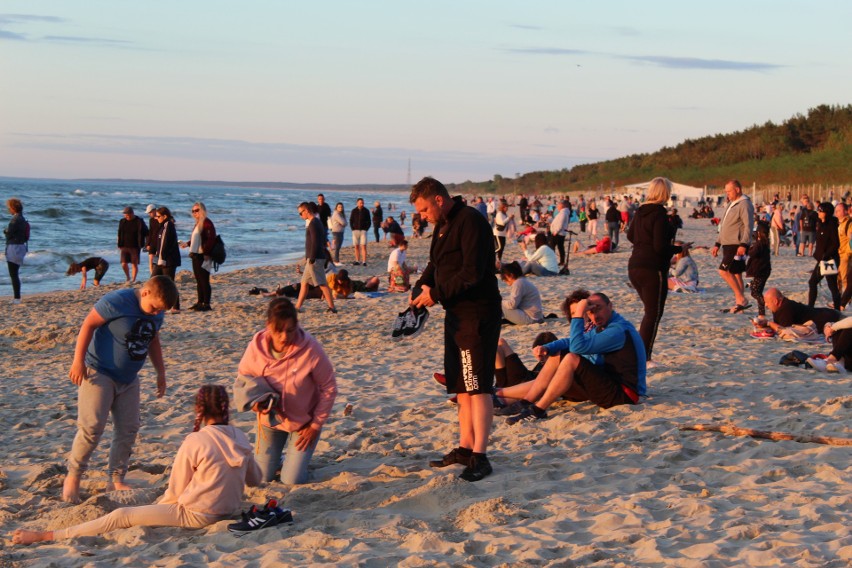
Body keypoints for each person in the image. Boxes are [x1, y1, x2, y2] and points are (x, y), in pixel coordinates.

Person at [13, 385, 262, 545]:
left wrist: (156, 512)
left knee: (123, 515)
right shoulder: (240, 436)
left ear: (198, 409)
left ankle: (47, 536)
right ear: (225, 408)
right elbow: (255, 480)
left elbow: (174, 492)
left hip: (198, 516)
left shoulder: (195, 440)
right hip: (228, 509)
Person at [410, 177, 501, 482]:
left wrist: (435, 295)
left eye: (424, 210)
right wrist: (419, 290)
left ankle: (480, 455)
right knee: (461, 386)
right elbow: (436, 265)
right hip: (456, 315)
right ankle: (465, 447)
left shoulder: (471, 221)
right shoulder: (443, 224)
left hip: (478, 313)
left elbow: (472, 273)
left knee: (477, 386)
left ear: (438, 199)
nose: (423, 216)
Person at [61, 275, 179, 504]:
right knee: (92, 427)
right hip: (99, 372)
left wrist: (160, 372)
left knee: (128, 428)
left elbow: (153, 339)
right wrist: (78, 361)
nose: (156, 313)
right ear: (145, 293)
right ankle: (73, 477)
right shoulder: (117, 301)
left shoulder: (158, 311)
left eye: (160, 311)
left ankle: (116, 478)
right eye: (154, 308)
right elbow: (88, 325)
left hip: (129, 378)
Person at [496, 290, 646, 423]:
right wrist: (549, 347)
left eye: (598, 309)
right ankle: (526, 402)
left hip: (625, 395)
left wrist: (579, 315)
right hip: (610, 385)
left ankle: (537, 409)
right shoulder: (605, 326)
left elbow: (576, 347)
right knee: (560, 354)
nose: (595, 315)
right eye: (590, 312)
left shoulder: (617, 330)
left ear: (610, 305)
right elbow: (571, 341)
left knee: (571, 358)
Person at [235, 298, 337, 484]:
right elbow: (244, 378)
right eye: (278, 331)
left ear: (297, 325)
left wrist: (315, 425)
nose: (284, 337)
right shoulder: (255, 348)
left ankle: (293, 462)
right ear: (268, 326)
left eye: (290, 330)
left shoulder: (310, 349)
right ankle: (281, 460)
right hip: (270, 422)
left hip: (304, 423)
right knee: (262, 477)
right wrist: (255, 404)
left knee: (291, 480)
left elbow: (329, 386)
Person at [627, 177, 681, 361]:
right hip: (652, 267)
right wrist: (678, 249)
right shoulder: (658, 213)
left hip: (635, 265)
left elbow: (630, 235)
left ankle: (642, 355)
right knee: (653, 314)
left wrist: (643, 244)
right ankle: (644, 357)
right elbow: (660, 246)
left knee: (649, 313)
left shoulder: (640, 211)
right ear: (664, 193)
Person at [711, 180, 755, 313]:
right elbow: (723, 225)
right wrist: (717, 244)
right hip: (727, 243)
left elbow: (748, 226)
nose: (727, 194)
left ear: (737, 190)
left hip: (736, 244)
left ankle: (741, 298)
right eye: (726, 191)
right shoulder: (731, 204)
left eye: (729, 191)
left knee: (723, 271)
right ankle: (739, 305)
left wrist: (743, 244)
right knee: (736, 274)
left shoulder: (745, 204)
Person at [294, 202, 337, 313]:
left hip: (315, 259)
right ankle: (297, 307)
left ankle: (332, 307)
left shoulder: (314, 223)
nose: (300, 216)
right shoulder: (314, 222)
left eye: (300, 213)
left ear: (306, 210)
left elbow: (316, 242)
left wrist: (312, 258)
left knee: (322, 283)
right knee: (304, 283)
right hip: (313, 258)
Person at [180, 202, 216, 312]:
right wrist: (187, 244)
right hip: (195, 254)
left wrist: (206, 253)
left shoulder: (207, 223)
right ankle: (200, 302)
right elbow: (196, 239)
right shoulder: (198, 223)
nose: (195, 213)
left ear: (202, 210)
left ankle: (206, 303)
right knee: (199, 280)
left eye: (197, 210)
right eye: (193, 211)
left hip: (204, 256)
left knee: (204, 280)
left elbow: (211, 239)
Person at [758, 287, 841, 334]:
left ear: (776, 301)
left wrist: (769, 323)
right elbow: (778, 325)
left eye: (767, 302)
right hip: (827, 313)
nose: (766, 305)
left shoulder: (786, 308)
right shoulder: (779, 307)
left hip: (831, 317)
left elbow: (784, 331)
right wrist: (765, 324)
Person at [808, 202, 841, 310]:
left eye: (820, 211)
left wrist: (825, 255)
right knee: (819, 283)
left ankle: (811, 308)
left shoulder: (831, 225)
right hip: (822, 259)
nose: (818, 212)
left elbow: (836, 244)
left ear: (826, 213)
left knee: (828, 285)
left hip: (829, 259)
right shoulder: (821, 223)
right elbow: (812, 217)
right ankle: (811, 307)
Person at [152, 207, 182, 313]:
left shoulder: (168, 225)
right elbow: (159, 245)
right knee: (153, 280)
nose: (157, 218)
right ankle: (155, 304)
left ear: (165, 216)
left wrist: (162, 259)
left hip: (167, 260)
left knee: (169, 282)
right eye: (156, 216)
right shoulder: (162, 225)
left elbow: (164, 243)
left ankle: (175, 307)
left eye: (158, 216)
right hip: (161, 259)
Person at [746, 221, 772, 322]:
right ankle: (761, 314)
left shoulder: (760, 244)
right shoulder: (765, 242)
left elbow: (752, 253)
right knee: (757, 291)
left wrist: (748, 248)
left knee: (755, 293)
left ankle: (765, 305)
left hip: (760, 271)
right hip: (764, 271)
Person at [4, 198, 28, 304]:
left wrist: (5, 231)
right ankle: (17, 297)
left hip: (14, 248)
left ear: (13, 208)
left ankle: (17, 298)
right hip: (21, 247)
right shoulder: (22, 219)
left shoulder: (14, 220)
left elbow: (9, 232)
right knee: (15, 273)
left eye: (9, 207)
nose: (9, 210)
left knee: (13, 274)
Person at [117, 206, 148, 284]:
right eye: (125, 215)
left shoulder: (139, 221)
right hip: (124, 245)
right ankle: (128, 277)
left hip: (135, 246)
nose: (126, 216)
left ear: (132, 213)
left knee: (134, 263)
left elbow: (146, 233)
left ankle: (133, 279)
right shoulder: (122, 221)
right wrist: (118, 243)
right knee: (123, 263)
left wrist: (147, 244)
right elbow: (119, 233)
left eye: (127, 215)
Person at [836, 203, 852, 308]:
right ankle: (839, 300)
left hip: (845, 255)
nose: (836, 212)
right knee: (838, 279)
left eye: (839, 210)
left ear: (846, 211)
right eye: (836, 210)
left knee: (846, 278)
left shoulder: (848, 223)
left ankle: (846, 302)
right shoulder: (837, 223)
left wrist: (847, 254)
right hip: (837, 254)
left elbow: (851, 239)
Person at [349, 198, 371, 266]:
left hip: (363, 231)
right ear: (357, 203)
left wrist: (366, 229)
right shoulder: (354, 210)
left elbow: (369, 221)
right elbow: (351, 220)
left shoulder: (366, 211)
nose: (361, 204)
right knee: (356, 246)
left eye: (362, 203)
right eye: (360, 203)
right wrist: (352, 229)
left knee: (363, 246)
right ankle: (357, 260)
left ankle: (364, 261)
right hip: (355, 230)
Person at [550, 199, 571, 265]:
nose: (557, 207)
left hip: (558, 233)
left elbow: (560, 224)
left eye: (558, 205)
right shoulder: (564, 212)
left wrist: (556, 231)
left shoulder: (563, 213)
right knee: (560, 247)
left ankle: (554, 261)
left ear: (562, 205)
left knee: (553, 247)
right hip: (560, 233)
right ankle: (561, 261)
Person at [144, 204, 160, 275]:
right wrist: (147, 244)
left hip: (159, 242)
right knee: (150, 259)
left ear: (154, 210)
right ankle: (152, 275)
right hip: (152, 242)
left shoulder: (160, 218)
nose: (149, 214)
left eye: (150, 212)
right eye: (148, 213)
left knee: (157, 260)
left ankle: (157, 274)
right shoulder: (151, 220)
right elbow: (150, 232)